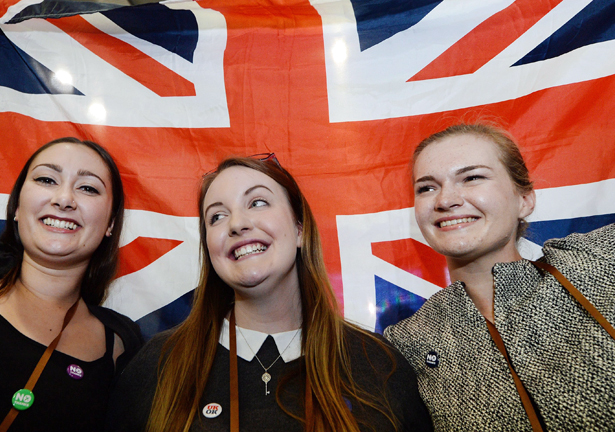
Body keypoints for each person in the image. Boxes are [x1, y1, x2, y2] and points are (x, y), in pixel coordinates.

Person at [383, 123, 615, 431]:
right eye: (427, 187)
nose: (445, 200)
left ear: (525, 200)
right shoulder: (408, 343)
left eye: (472, 177)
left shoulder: (605, 261)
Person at [0, 1, 143, 431]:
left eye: (88, 188)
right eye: (46, 180)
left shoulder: (121, 345)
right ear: (18, 203)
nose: (64, 199)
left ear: (111, 224)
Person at [106, 154, 432, 431]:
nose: (237, 223)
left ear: (300, 229)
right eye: (217, 216)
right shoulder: (159, 366)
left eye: (257, 202)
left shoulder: (379, 365)